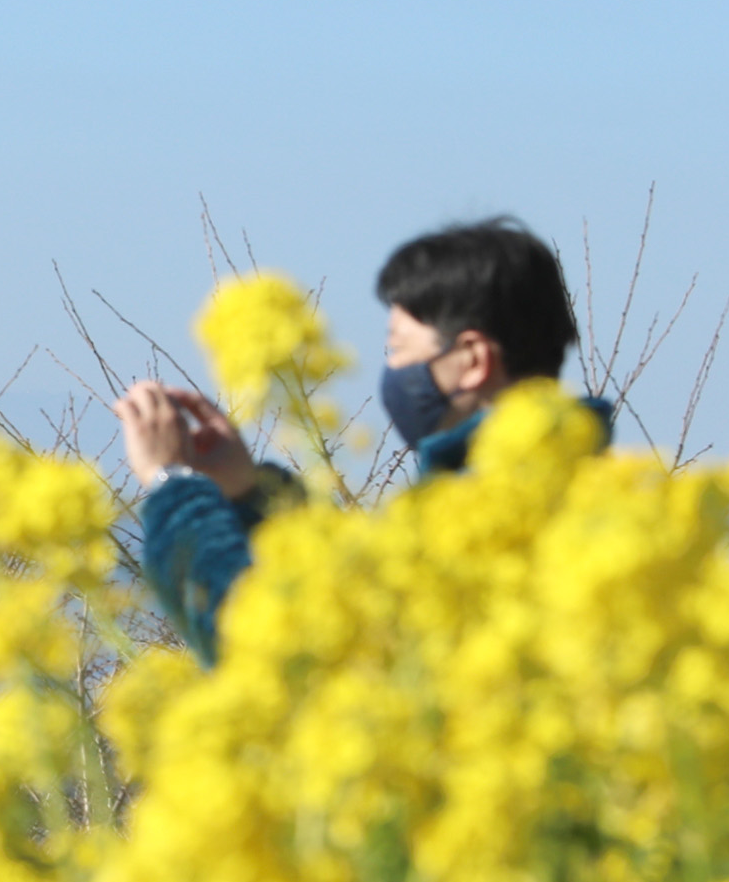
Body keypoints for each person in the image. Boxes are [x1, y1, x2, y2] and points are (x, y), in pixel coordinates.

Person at [114, 217, 589, 663]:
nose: (392, 368)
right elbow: (349, 593)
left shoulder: (492, 521)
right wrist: (247, 493)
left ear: (472, 360)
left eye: (397, 347)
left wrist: (174, 488)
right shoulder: (563, 492)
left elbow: (270, 649)